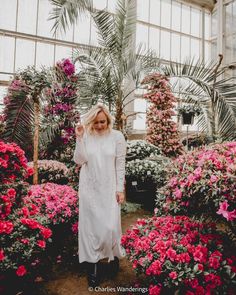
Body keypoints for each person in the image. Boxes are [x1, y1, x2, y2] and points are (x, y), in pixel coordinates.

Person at [73, 104, 126, 287]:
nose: (99, 126)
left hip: (109, 189)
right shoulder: (86, 135)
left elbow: (120, 164)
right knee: (90, 228)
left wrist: (120, 189)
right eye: (95, 122)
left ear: (109, 120)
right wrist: (79, 138)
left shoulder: (117, 137)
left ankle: (113, 256)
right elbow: (79, 160)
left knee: (110, 227)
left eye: (102, 122)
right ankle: (92, 265)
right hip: (89, 188)